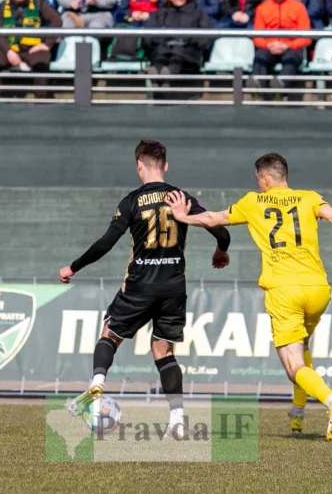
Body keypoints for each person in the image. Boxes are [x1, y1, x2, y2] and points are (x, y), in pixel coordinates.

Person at [165, 153, 332, 440]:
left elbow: (213, 218)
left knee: (293, 366)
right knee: (303, 347)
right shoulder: (309, 198)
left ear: (265, 179)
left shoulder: (253, 202)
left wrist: (183, 216)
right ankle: (297, 412)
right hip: (318, 289)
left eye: (258, 180)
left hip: (285, 291)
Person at [62, 140, 230, 439]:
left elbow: (106, 242)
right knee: (163, 350)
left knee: (110, 332)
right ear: (165, 165)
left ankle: (97, 383)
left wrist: (74, 267)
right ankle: (177, 419)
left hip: (139, 285)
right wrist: (221, 250)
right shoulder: (182, 198)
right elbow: (218, 227)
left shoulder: (131, 201)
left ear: (139, 166)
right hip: (173, 287)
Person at [0, 0, 61, 73]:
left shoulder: (39, 2)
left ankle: (40, 89)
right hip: (9, 47)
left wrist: (46, 44)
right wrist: (8, 51)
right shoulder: (2, 6)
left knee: (41, 65)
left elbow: (57, 21)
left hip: (34, 48)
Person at [252, 0, 311, 89]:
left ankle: (280, 87)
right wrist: (268, 45)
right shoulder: (262, 8)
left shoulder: (298, 7)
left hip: (291, 46)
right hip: (269, 46)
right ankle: (257, 87)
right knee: (260, 56)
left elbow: (306, 37)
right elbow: (257, 36)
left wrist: (288, 45)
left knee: (292, 58)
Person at [145, 0, 215, 75]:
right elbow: (149, 35)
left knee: (176, 58)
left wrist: (192, 40)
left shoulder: (197, 13)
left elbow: (207, 35)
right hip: (163, 50)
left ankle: (166, 76)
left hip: (188, 53)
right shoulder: (160, 13)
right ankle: (158, 77)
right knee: (160, 59)